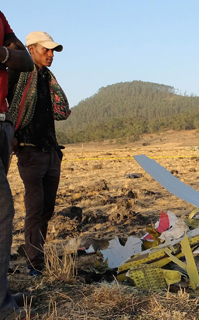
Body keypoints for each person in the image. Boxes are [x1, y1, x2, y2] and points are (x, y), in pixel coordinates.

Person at [7, 31, 70, 277]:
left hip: (51, 151)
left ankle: (38, 255)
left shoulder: (47, 77)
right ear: (31, 49)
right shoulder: (18, 73)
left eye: (52, 50)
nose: (51, 54)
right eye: (46, 50)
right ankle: (34, 264)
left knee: (47, 209)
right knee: (35, 207)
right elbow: (7, 106)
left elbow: (59, 111)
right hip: (30, 151)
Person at [0, 9, 35, 320]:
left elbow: (22, 61)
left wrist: (3, 53)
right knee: (2, 210)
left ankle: (1, 293)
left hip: (1, 124)